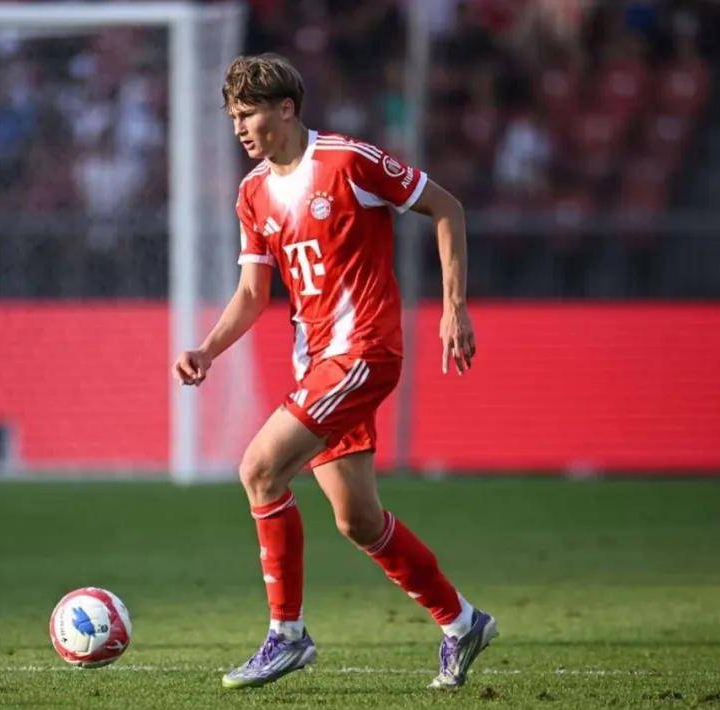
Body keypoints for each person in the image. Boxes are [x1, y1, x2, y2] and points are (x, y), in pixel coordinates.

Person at [172, 54, 496, 690]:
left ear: (286, 108)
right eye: (233, 117)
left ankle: (286, 635)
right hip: (317, 363)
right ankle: (462, 623)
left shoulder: (349, 161)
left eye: (248, 114)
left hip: (364, 351)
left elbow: (447, 208)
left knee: (259, 469)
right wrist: (207, 350)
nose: (239, 128)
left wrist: (454, 307)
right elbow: (252, 294)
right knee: (358, 520)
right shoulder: (252, 193)